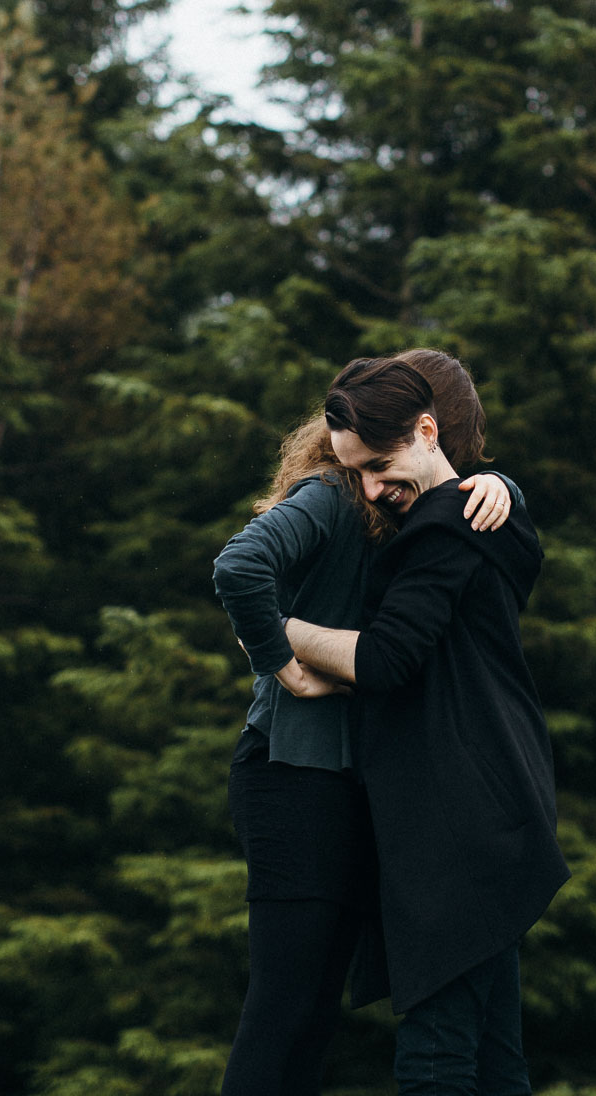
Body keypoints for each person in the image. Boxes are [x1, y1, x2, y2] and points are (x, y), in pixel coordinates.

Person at [212, 350, 518, 1096]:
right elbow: (238, 565)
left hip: (356, 785)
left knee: (315, 1021)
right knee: (286, 1012)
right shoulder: (332, 494)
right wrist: (277, 655)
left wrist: (502, 486)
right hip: (293, 775)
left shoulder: (399, 501)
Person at [282, 357, 567, 1096]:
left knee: (437, 1051)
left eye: (378, 467)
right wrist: (506, 486)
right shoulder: (480, 514)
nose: (373, 490)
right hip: (497, 803)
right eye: (358, 476)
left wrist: (282, 631)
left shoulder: (445, 525)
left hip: (456, 819)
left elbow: (384, 660)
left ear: (428, 429)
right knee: (497, 1055)